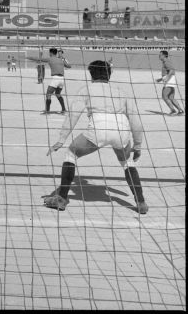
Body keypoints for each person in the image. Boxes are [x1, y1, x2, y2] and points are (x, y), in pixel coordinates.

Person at [45, 60, 148, 214]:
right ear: (110, 74)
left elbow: (73, 115)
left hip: (98, 126)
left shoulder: (86, 89)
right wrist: (138, 146)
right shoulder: (121, 92)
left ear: (91, 74)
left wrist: (61, 139)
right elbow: (136, 122)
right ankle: (141, 203)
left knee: (71, 154)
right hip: (121, 127)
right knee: (128, 163)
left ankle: (61, 198)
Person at [40, 48, 71, 114]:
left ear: (51, 53)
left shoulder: (56, 59)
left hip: (56, 78)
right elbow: (69, 66)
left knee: (48, 94)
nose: (60, 53)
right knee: (58, 94)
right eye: (59, 52)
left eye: (61, 52)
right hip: (62, 79)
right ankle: (63, 109)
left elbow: (69, 66)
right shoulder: (61, 59)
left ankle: (47, 111)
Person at [156, 51, 184, 115]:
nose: (159, 56)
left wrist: (167, 78)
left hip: (169, 82)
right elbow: (168, 72)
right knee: (171, 98)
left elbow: (172, 70)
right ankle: (180, 111)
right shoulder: (165, 62)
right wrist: (160, 79)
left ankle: (173, 111)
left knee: (164, 97)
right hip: (171, 81)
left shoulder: (166, 62)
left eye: (160, 55)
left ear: (164, 55)